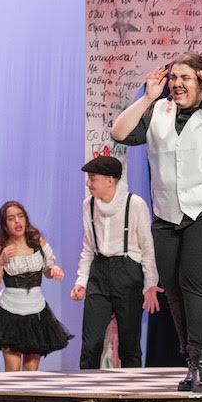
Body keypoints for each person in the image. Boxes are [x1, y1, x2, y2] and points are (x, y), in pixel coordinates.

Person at [111, 53, 202, 392]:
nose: (177, 84)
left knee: (196, 282)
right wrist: (147, 98)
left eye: (185, 78)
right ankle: (192, 361)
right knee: (174, 287)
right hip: (168, 212)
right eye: (173, 78)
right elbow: (119, 132)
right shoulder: (158, 111)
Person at [70, 155, 160, 369]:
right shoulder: (88, 205)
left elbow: (147, 248)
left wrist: (150, 284)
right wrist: (81, 281)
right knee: (90, 344)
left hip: (127, 272)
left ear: (110, 180)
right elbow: (88, 247)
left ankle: (131, 391)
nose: (88, 183)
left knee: (129, 345)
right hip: (99, 272)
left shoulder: (134, 204)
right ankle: (87, 388)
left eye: (93, 178)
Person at [0, 202, 73, 370]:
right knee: (12, 371)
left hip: (36, 312)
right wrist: (0, 262)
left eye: (20, 216)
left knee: (31, 370)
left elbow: (47, 270)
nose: (17, 222)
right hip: (9, 312)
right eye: (11, 218)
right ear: (4, 224)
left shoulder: (37, 241)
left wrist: (54, 270)